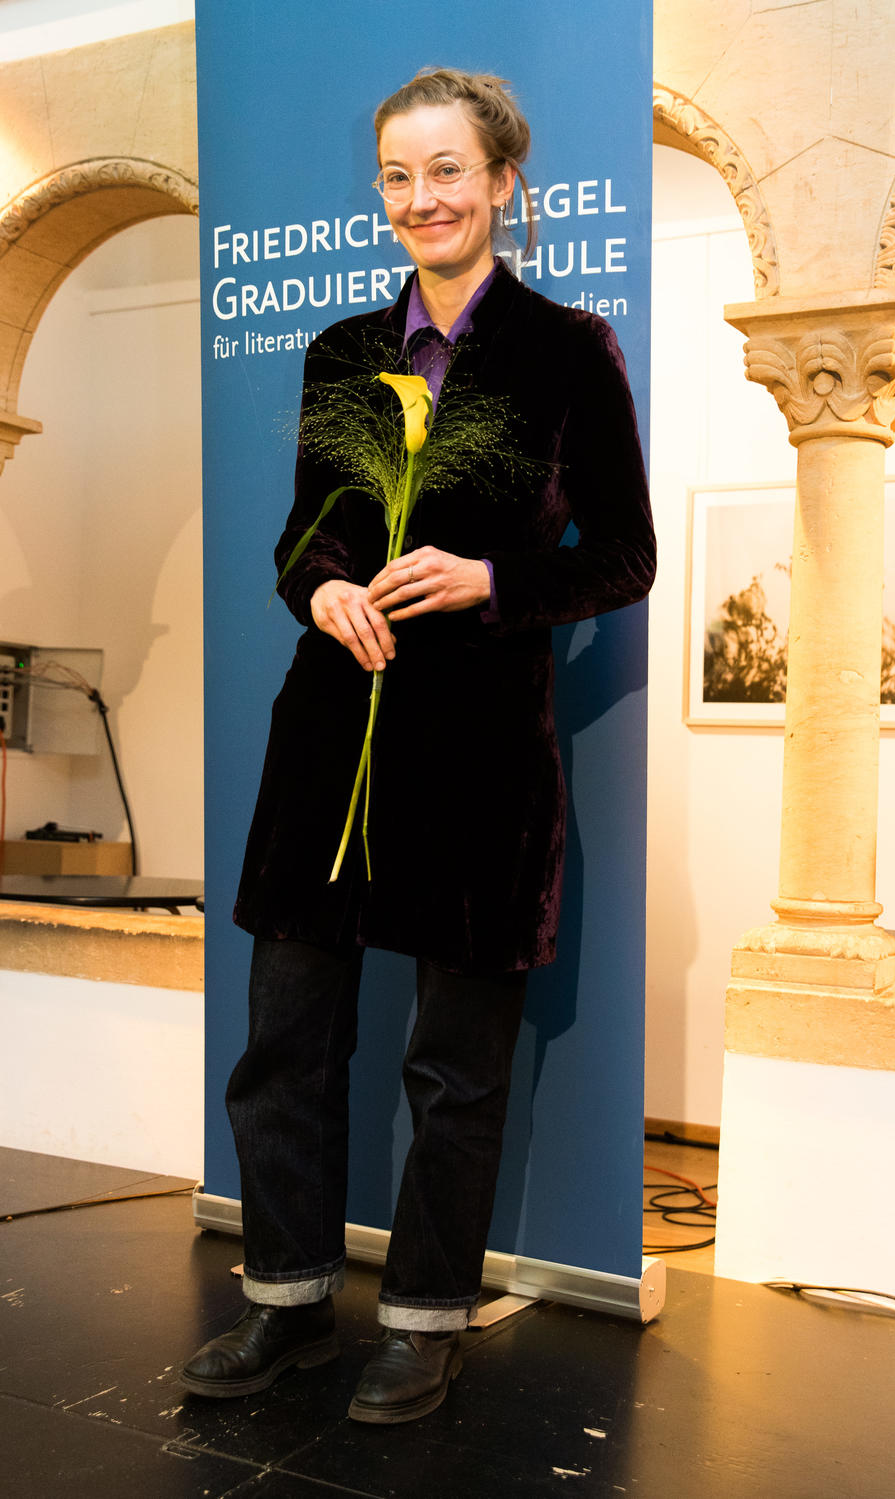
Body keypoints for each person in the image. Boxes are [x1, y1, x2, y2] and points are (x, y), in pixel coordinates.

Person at [181, 66, 655, 1423]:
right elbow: (304, 533)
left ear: (503, 182)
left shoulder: (567, 350)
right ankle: (285, 1305)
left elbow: (623, 554)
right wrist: (320, 590)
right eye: (398, 174)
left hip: (480, 755)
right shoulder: (342, 351)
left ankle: (424, 1321)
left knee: (454, 1067)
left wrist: (492, 580)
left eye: (447, 170)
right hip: (328, 742)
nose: (420, 198)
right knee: (284, 1046)